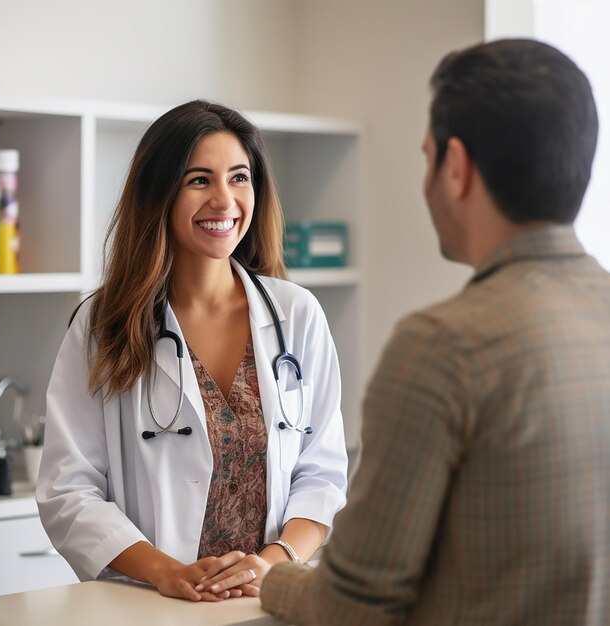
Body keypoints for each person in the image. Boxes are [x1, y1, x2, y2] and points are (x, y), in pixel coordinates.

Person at [254, 39, 610, 625]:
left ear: (457, 167)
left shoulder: (444, 347)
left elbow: (354, 606)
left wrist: (273, 580)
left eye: (426, 158)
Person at [36, 100, 347, 602]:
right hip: (151, 603)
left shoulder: (298, 315)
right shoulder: (104, 325)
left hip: (265, 602)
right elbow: (68, 491)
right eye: (199, 180)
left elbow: (323, 473)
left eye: (239, 178)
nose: (224, 200)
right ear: (159, 193)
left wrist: (273, 564)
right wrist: (165, 572)